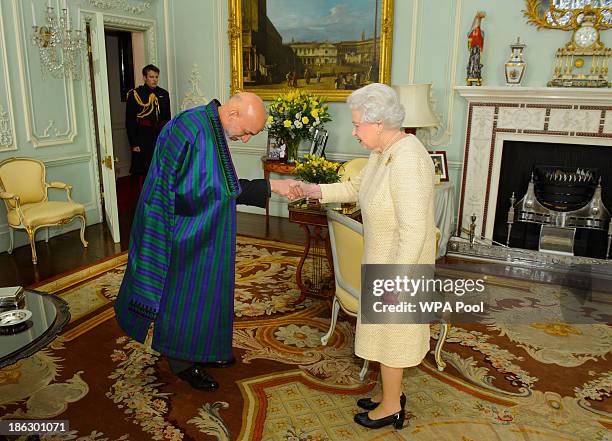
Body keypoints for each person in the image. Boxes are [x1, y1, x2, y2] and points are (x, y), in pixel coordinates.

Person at [115, 92, 299, 391]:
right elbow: (206, 190)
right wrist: (271, 186)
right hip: (177, 228)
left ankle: (204, 350)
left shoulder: (209, 126)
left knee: (206, 292)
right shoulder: (193, 129)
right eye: (247, 132)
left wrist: (273, 186)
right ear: (235, 113)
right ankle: (182, 361)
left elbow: (218, 185)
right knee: (182, 297)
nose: (243, 139)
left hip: (196, 225)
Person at [290, 83, 436, 430]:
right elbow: (357, 188)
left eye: (357, 125)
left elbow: (414, 230)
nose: (354, 132)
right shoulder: (381, 153)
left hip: (401, 265)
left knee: (394, 337)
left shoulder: (408, 159)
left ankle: (391, 409)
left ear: (380, 124)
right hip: (384, 258)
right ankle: (389, 394)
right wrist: (316, 190)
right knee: (385, 335)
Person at [126, 64, 172, 183]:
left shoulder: (164, 94)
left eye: (156, 77)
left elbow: (168, 118)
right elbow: (130, 121)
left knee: (161, 167)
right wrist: (134, 143)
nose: (155, 80)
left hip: (160, 135)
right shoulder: (135, 94)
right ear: (145, 77)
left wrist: (168, 136)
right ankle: (146, 198)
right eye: (151, 77)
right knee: (145, 170)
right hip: (143, 135)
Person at [466, 11, 486, 86]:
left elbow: (478, 30)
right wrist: (476, 18)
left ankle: (476, 76)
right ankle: (471, 77)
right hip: (473, 53)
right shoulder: (471, 33)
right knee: (472, 63)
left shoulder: (481, 33)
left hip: (477, 52)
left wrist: (479, 19)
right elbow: (470, 32)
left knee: (476, 64)